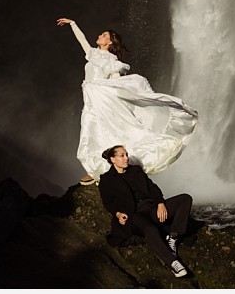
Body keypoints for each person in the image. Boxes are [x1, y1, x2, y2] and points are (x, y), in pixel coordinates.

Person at [56, 18, 198, 185]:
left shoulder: (112, 61)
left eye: (104, 35)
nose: (99, 36)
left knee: (101, 131)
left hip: (103, 99)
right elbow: (82, 40)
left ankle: (101, 170)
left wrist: (126, 96)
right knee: (90, 132)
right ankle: (95, 170)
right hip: (90, 98)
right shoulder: (93, 53)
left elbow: (117, 81)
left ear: (109, 42)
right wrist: (73, 24)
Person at [98, 144, 192, 278]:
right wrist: (118, 214)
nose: (126, 158)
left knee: (185, 199)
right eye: (122, 156)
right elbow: (108, 202)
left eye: (126, 155)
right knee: (150, 229)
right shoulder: (107, 180)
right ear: (113, 159)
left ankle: (173, 237)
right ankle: (173, 263)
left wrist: (160, 203)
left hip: (152, 208)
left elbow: (152, 188)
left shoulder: (136, 170)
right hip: (134, 214)